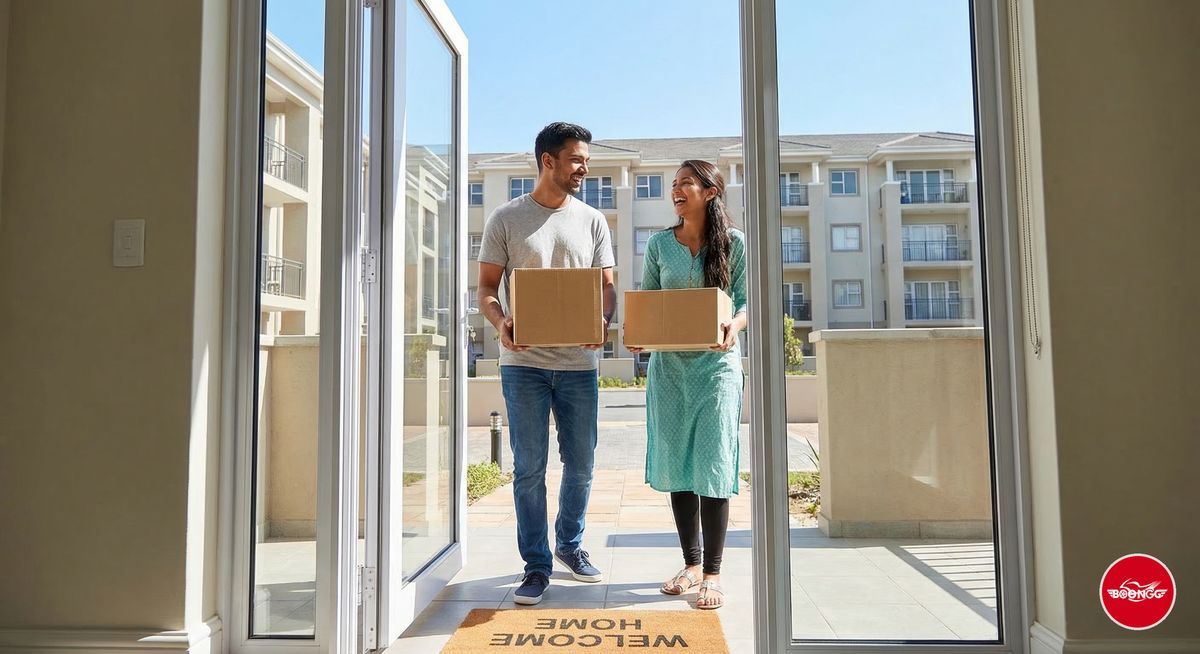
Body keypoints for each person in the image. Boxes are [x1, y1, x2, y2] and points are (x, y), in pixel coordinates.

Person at [476, 122, 617, 605]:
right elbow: (487, 291)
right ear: (548, 161)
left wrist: (602, 322)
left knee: (580, 465)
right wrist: (501, 324)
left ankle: (570, 546)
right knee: (529, 468)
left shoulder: (593, 220)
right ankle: (535, 566)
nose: (584, 168)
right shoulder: (506, 219)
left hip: (579, 365)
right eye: (577, 159)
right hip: (524, 364)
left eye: (586, 161)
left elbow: (607, 286)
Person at [626, 159, 747, 610]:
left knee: (713, 463)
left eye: (685, 184)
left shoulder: (734, 244)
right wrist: (639, 336)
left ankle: (713, 575)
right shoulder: (660, 244)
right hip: (670, 369)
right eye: (673, 185)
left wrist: (734, 325)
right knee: (678, 464)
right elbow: (651, 302)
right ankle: (691, 564)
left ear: (710, 191)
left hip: (716, 367)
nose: (676, 191)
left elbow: (747, 300)